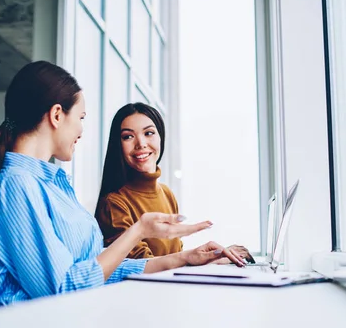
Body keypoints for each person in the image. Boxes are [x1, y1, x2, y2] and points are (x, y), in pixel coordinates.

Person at [0, 61, 245, 313]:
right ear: (57, 115)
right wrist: (138, 231)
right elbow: (63, 291)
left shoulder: (51, 186)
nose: (81, 130)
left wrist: (183, 259)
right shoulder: (16, 188)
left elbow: (95, 272)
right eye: (80, 118)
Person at [95, 102, 254, 263]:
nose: (141, 143)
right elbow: (143, 266)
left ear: (160, 137)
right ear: (118, 145)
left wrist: (212, 257)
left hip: (171, 287)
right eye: (128, 136)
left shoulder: (166, 193)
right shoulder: (113, 204)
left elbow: (175, 256)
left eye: (149, 133)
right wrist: (212, 259)